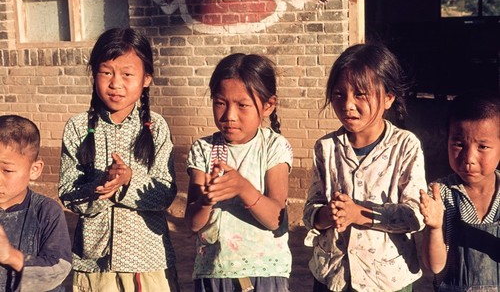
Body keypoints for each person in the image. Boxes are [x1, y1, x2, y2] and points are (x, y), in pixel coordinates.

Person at [58, 28, 179, 291]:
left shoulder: (156, 127)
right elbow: (68, 192)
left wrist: (128, 181)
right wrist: (98, 187)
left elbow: (166, 192)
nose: (115, 83)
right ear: (94, 74)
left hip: (147, 259)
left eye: (127, 74)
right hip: (93, 263)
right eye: (106, 72)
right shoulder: (77, 127)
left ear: (146, 78)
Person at [303, 43, 427, 291]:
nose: (348, 104)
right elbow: (310, 210)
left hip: (387, 280)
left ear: (389, 98)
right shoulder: (325, 148)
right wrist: (326, 215)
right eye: (339, 94)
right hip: (333, 276)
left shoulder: (405, 146)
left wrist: (359, 214)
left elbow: (416, 216)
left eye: (360, 94)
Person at [185, 53, 293, 292]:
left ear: (268, 105)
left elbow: (276, 218)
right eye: (220, 103)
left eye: (242, 105)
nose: (229, 116)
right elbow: (192, 224)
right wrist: (206, 200)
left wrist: (243, 189)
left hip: (264, 272)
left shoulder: (274, 147)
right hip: (213, 272)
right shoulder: (204, 149)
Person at [419, 92, 500, 291]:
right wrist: (435, 228)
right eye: (458, 144)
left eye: (483, 146)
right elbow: (435, 266)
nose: (468, 158)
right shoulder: (441, 194)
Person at [0, 115, 72, 291]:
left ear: (35, 169)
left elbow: (59, 268)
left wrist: (10, 256)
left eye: (7, 170)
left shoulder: (46, 211)